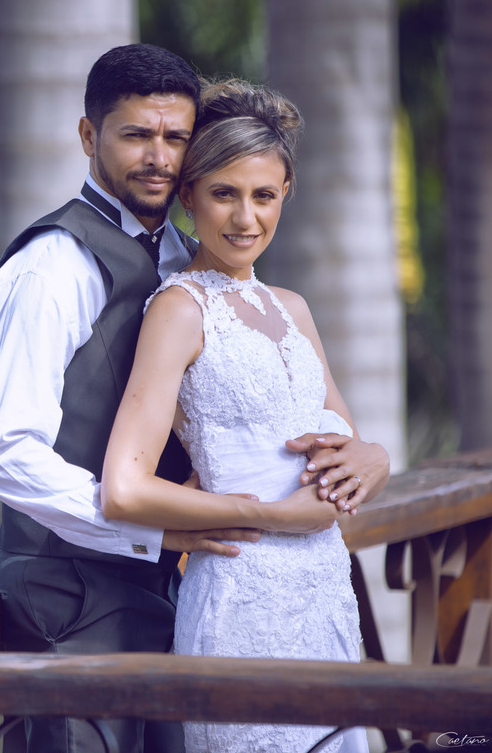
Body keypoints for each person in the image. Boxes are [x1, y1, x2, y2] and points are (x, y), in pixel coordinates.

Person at [0, 44, 390, 753]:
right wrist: (149, 529)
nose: (158, 157)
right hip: (71, 593)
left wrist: (370, 454)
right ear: (88, 136)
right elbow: (1, 450)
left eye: (175, 138)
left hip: (178, 580)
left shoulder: (184, 259)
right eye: (136, 135)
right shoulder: (50, 269)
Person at [101, 78, 385, 752]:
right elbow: (124, 489)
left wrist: (377, 457)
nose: (245, 218)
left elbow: (346, 440)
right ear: (189, 194)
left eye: (263, 195)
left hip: (324, 592)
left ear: (286, 192)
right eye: (224, 193)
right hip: (240, 598)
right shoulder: (180, 310)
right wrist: (276, 516)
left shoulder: (293, 309)